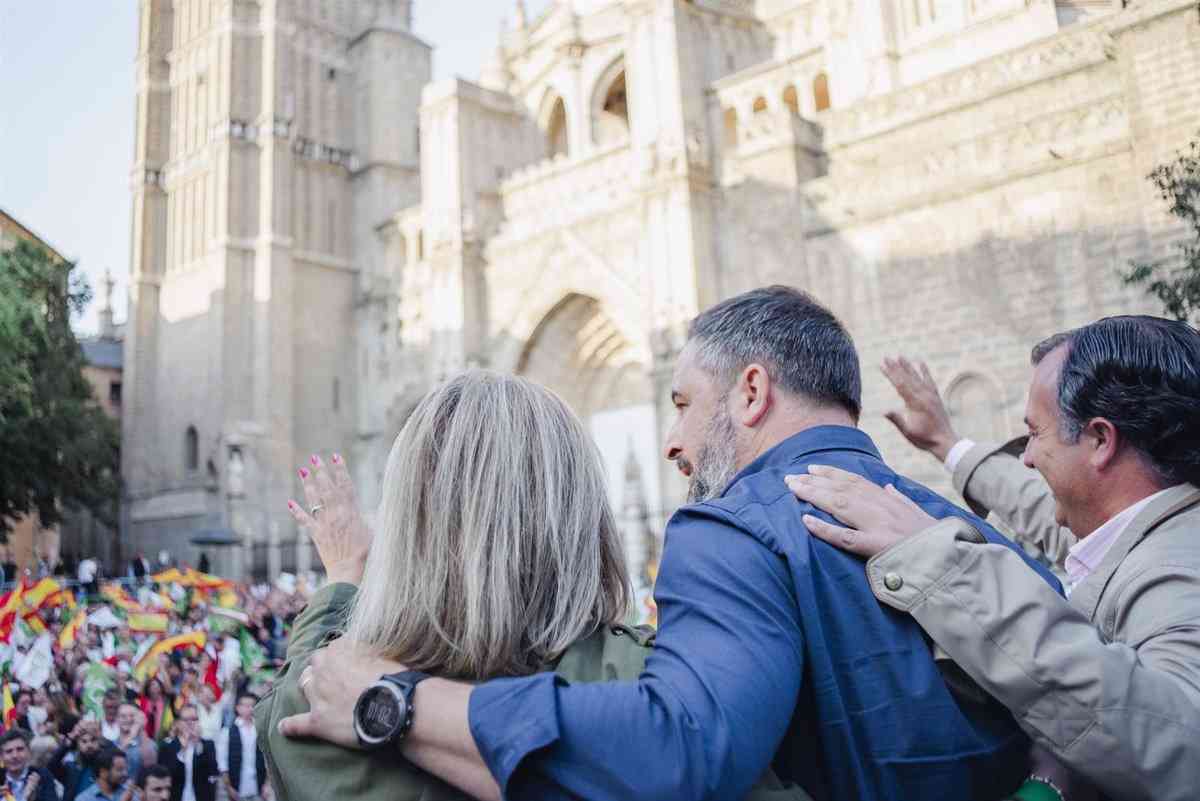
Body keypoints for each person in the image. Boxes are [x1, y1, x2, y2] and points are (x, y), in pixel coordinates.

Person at [280, 287, 1060, 801]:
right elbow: (1073, 731)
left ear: (751, 392)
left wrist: (393, 690)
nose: (671, 441)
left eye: (683, 402)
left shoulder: (732, 531)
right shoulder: (964, 534)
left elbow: (682, 749)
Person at [257, 372, 813, 801]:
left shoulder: (318, 700)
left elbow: (297, 687)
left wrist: (344, 578)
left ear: (408, 522)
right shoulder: (651, 688)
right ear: (579, 520)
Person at [785, 316, 1200, 801]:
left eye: (1035, 435)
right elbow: (1039, 506)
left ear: (1100, 441)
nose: (1027, 458)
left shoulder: (1177, 570)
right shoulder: (1150, 524)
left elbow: (1179, 748)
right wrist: (948, 444)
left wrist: (943, 565)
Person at [158, 704, 217, 801]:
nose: (190, 723)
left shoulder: (208, 745)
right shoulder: (167, 746)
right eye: (185, 720)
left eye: (194, 719)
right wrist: (183, 749)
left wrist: (198, 743)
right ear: (178, 723)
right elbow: (166, 775)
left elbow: (212, 773)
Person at [216, 694, 264, 801]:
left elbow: (266, 758)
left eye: (252, 705)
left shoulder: (260, 730)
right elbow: (222, 762)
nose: (249, 708)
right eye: (245, 705)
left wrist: (267, 784)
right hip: (236, 783)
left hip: (257, 783)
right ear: (237, 708)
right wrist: (228, 787)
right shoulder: (227, 731)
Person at [47, 720, 103, 801]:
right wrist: (70, 738)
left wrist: (99, 735)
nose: (89, 745)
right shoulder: (70, 768)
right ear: (78, 744)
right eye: (84, 741)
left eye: (93, 740)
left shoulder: (106, 767)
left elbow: (115, 753)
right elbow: (51, 764)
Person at [1, 729, 61, 801]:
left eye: (20, 749)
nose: (15, 755)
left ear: (28, 752)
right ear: (1, 756)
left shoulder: (42, 776)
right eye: (9, 751)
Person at [114, 704, 155, 785]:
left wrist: (141, 729)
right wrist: (132, 735)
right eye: (123, 716)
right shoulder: (111, 744)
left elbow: (151, 765)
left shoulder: (147, 742)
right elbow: (112, 760)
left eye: (132, 716)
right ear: (116, 719)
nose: (128, 719)